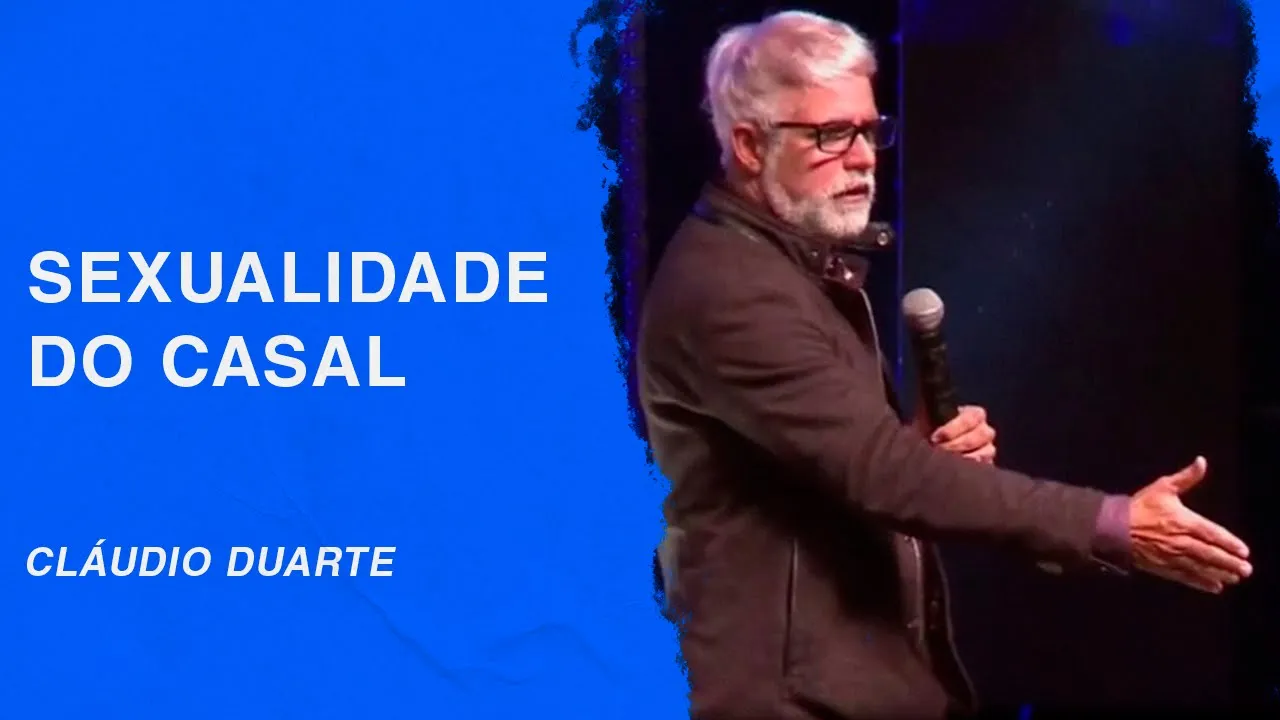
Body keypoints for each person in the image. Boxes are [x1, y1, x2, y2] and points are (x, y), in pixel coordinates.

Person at [636, 9, 1253, 719]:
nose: (863, 158)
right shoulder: (730, 289)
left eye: (869, 130)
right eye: (831, 135)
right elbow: (883, 475)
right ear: (749, 145)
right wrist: (1113, 524)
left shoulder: (788, 269)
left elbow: (844, 468)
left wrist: (915, 448)